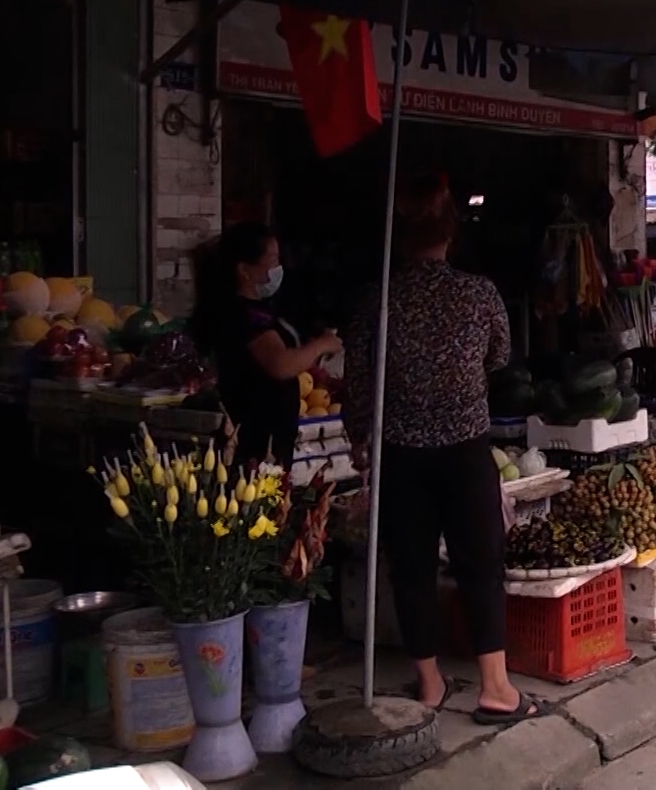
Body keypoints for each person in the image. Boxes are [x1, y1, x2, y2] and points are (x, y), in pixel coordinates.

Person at [342, 175, 547, 726]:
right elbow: (500, 357)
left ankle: (430, 683)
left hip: (399, 452)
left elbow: (358, 382)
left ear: (401, 239)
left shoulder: (377, 302)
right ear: (450, 234)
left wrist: (359, 438)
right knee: (480, 564)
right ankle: (496, 689)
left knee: (411, 569)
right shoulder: (478, 294)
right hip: (463, 450)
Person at [191, 221, 341, 469]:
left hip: (266, 433)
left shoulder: (252, 310)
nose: (278, 267)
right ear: (244, 270)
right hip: (255, 435)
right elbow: (280, 364)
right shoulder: (244, 316)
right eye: (272, 259)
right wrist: (321, 345)